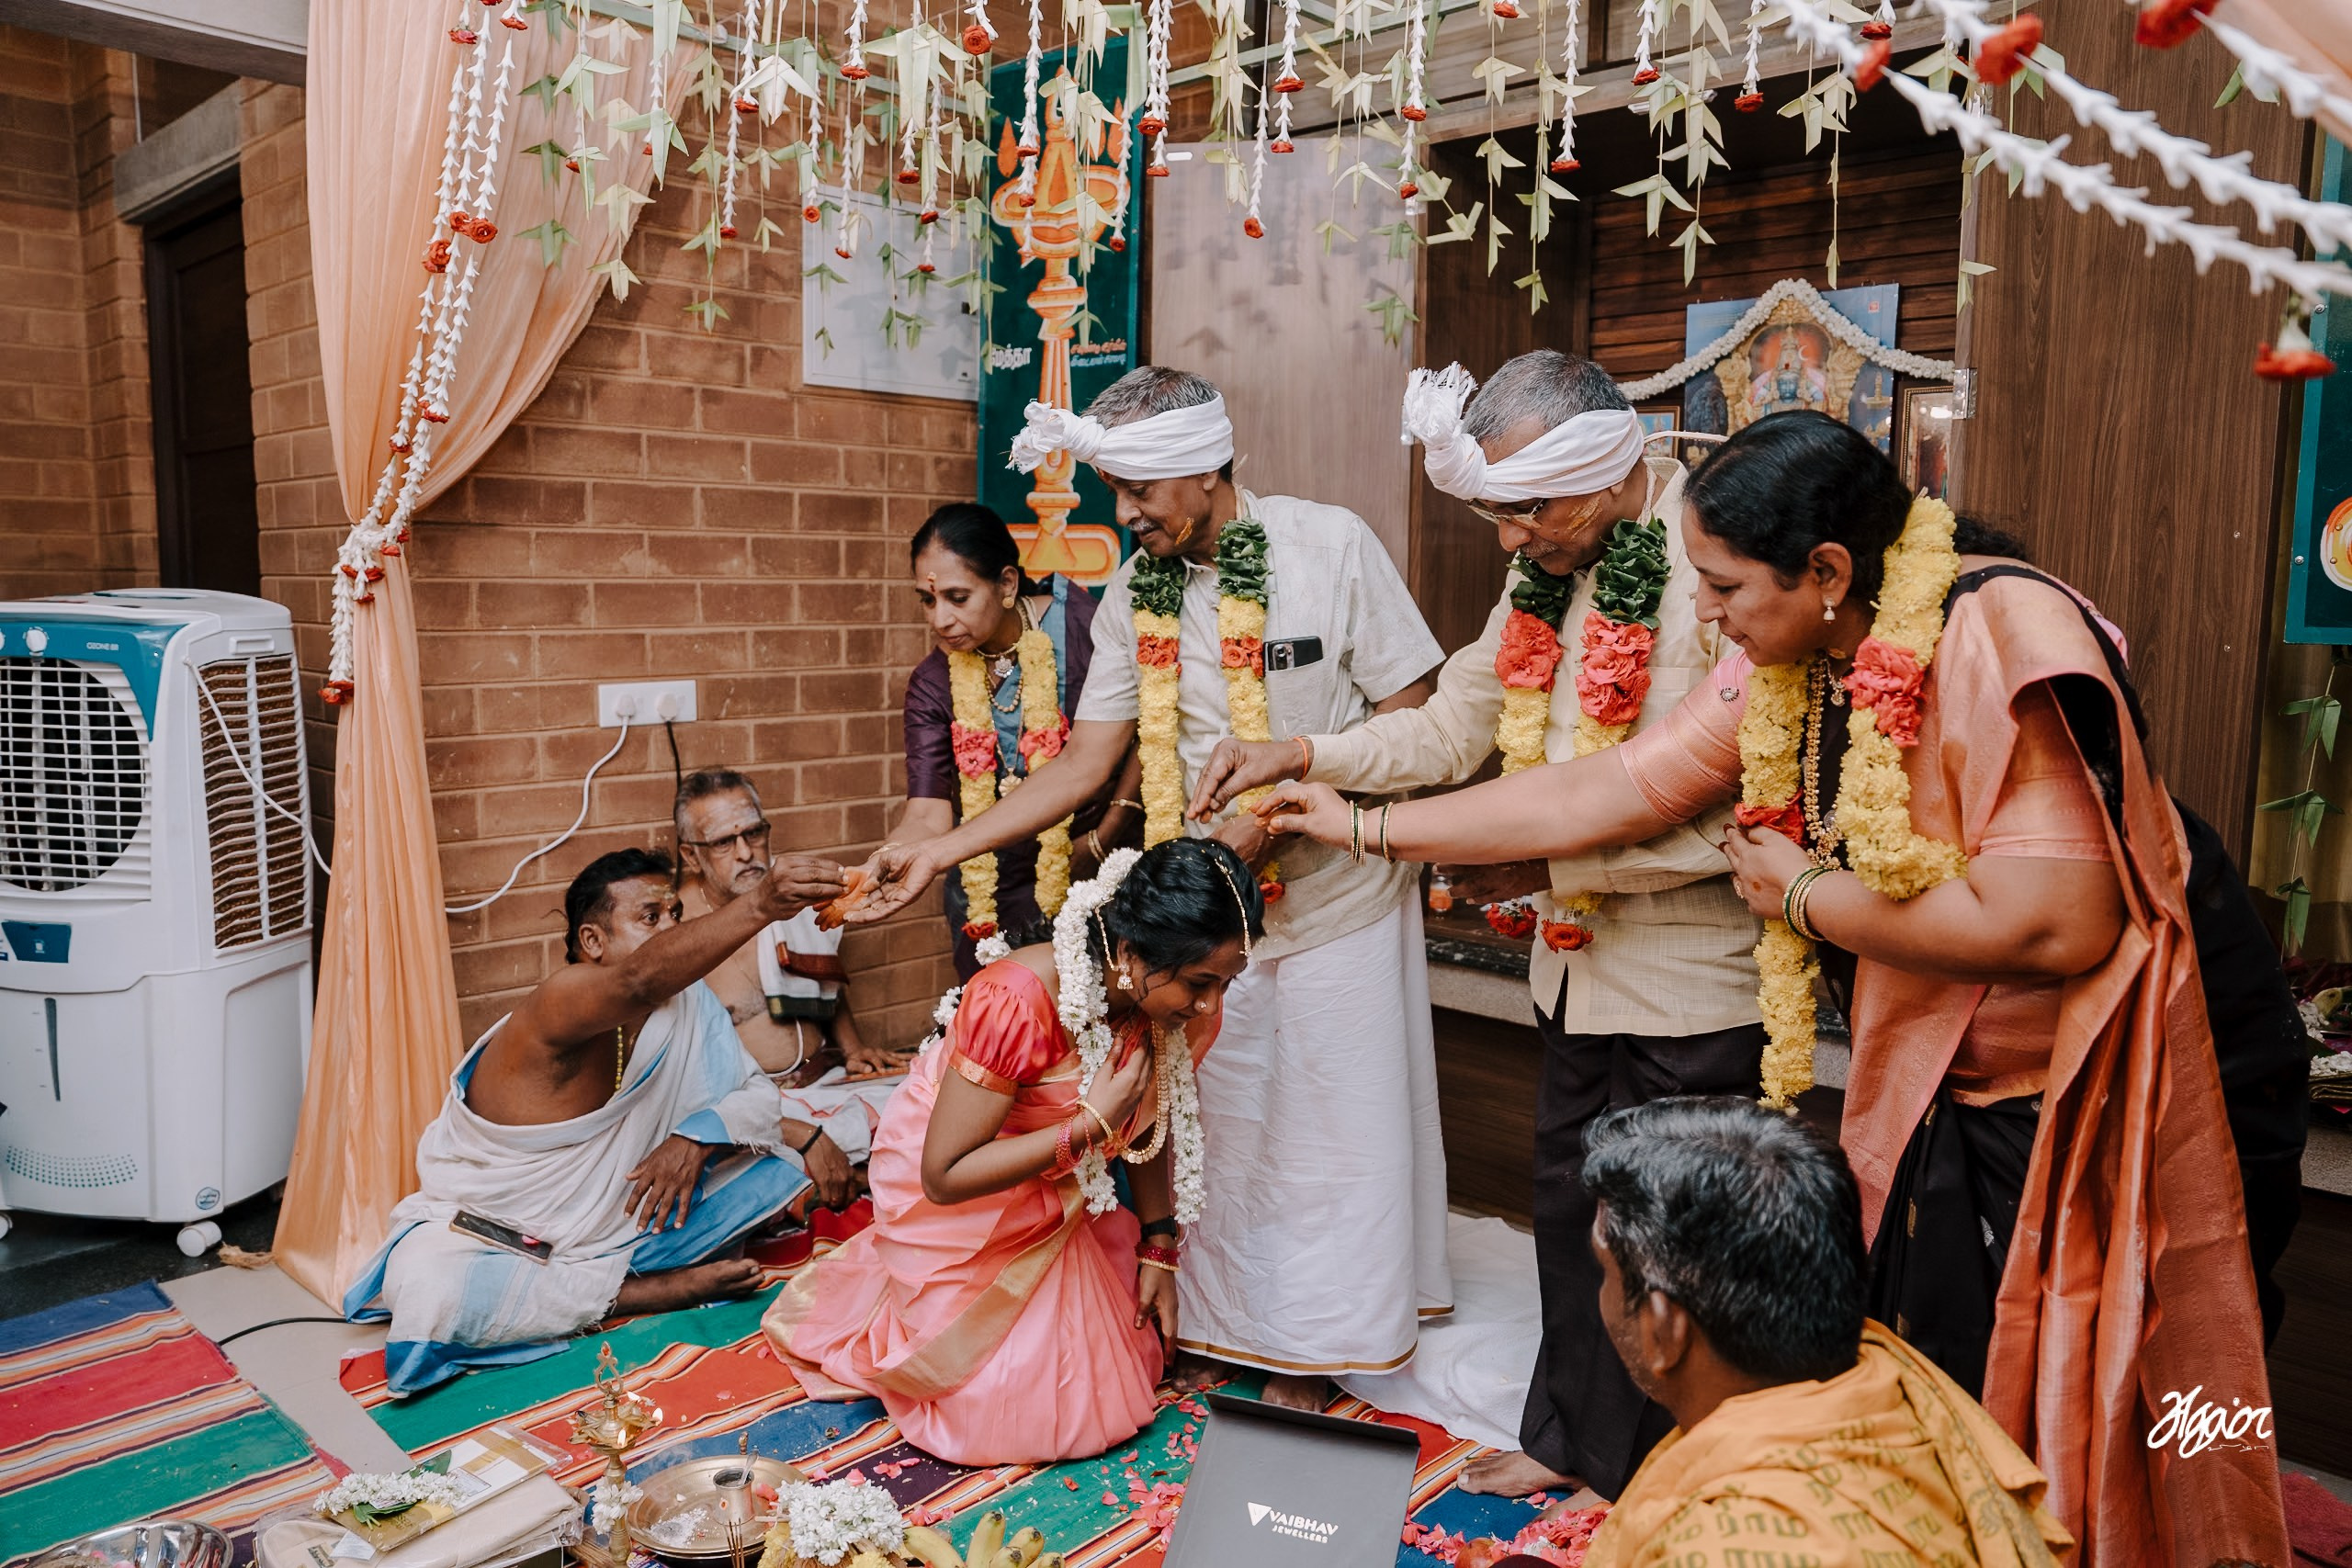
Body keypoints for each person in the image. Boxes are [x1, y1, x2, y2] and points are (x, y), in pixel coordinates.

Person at [1263, 409, 2289, 1563]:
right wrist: (1364, 825)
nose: (1701, 614)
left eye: (1719, 585)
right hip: (1961, 1079)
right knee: (1963, 1355)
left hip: (2127, 1070)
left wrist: (1807, 897)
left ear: (1829, 572)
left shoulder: (1996, 626)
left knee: (2125, 1378)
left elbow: (2057, 919)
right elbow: (1613, 791)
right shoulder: (1791, 655)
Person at [1191, 350, 1761, 1501]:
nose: (1511, 540)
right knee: (1570, 1213)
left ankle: (1661, 1473)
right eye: (1498, 515)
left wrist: (1495, 844)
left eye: (1526, 511)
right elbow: (1456, 725)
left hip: (1693, 973)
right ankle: (1570, 1439)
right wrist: (1313, 753)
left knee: (1674, 1237)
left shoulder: (1715, 569)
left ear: (1605, 478)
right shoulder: (1543, 578)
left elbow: (1716, 800)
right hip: (1574, 967)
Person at [848, 366, 1449, 1408]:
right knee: (1212, 1128)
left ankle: (1317, 1346)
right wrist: (938, 854)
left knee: (1327, 1136)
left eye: (1138, 493)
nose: (1122, 517)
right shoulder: (1137, 592)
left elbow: (1419, 716)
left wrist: (1294, 774)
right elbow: (1084, 767)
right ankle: (1223, 1325)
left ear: (1208, 471)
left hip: (1335, 899)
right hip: (1202, 920)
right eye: (1112, 491)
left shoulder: (1328, 545)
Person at [766, 840, 1263, 1465]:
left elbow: (1151, 1119)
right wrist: (1087, 1127)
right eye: (1200, 982)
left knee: (1131, 1364)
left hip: (1058, 1184)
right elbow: (943, 1174)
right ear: (1131, 953)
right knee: (1010, 1418)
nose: (1213, 1005)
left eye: (1226, 982)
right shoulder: (1019, 998)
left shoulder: (1177, 1004)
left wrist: (1159, 1250)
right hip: (955, 1184)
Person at [344, 846, 846, 1394]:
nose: (672, 927)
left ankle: (605, 1276)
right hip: (498, 1227)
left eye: (676, 914)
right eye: (650, 917)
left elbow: (752, 1093)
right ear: (592, 942)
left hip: (613, 1213)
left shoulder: (685, 1001)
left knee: (770, 1165)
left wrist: (694, 1138)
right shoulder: (560, 1000)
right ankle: (650, 1291)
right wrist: (761, 903)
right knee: (429, 1287)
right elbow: (636, 981)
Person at [1571, 1097, 2071, 1568]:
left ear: (1665, 1329)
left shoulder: (1726, 1548)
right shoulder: (1894, 1374)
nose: (1602, 1298)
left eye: (1606, 1272)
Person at [900, 503, 1142, 977]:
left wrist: (1101, 838)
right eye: (928, 601)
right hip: (991, 886)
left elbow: (1145, 733)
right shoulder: (932, 681)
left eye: (957, 597)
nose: (939, 619)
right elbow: (926, 811)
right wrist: (887, 859)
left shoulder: (1083, 629)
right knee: (1000, 1029)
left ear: (1007, 584)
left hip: (1101, 865)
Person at [675, 769, 913, 1211]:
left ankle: (856, 1177)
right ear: (692, 857)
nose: (746, 853)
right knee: (749, 1176)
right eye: (725, 843)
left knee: (927, 1104)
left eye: (753, 833)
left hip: (827, 1082)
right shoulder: (679, 935)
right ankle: (858, 1179)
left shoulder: (788, 891)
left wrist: (853, 1046)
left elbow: (822, 980)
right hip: (760, 1115)